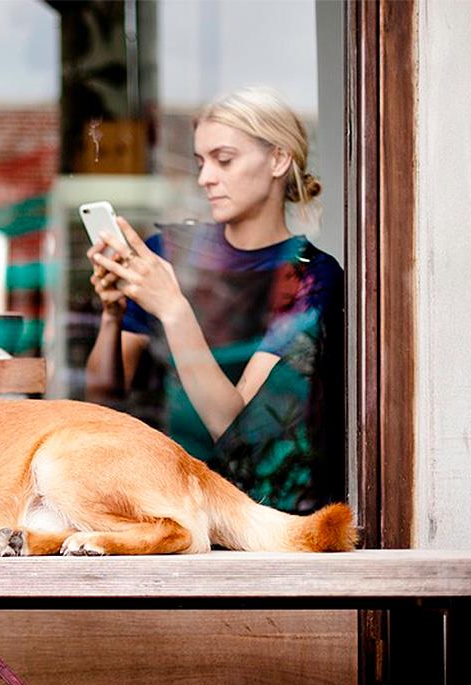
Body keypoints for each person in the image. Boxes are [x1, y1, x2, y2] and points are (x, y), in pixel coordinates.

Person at [84, 87, 343, 512]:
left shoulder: (309, 277)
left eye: (224, 160)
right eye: (201, 162)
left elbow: (237, 430)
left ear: (278, 160)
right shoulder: (167, 252)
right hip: (160, 499)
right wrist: (113, 315)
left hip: (256, 511)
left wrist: (172, 308)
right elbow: (103, 399)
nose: (205, 178)